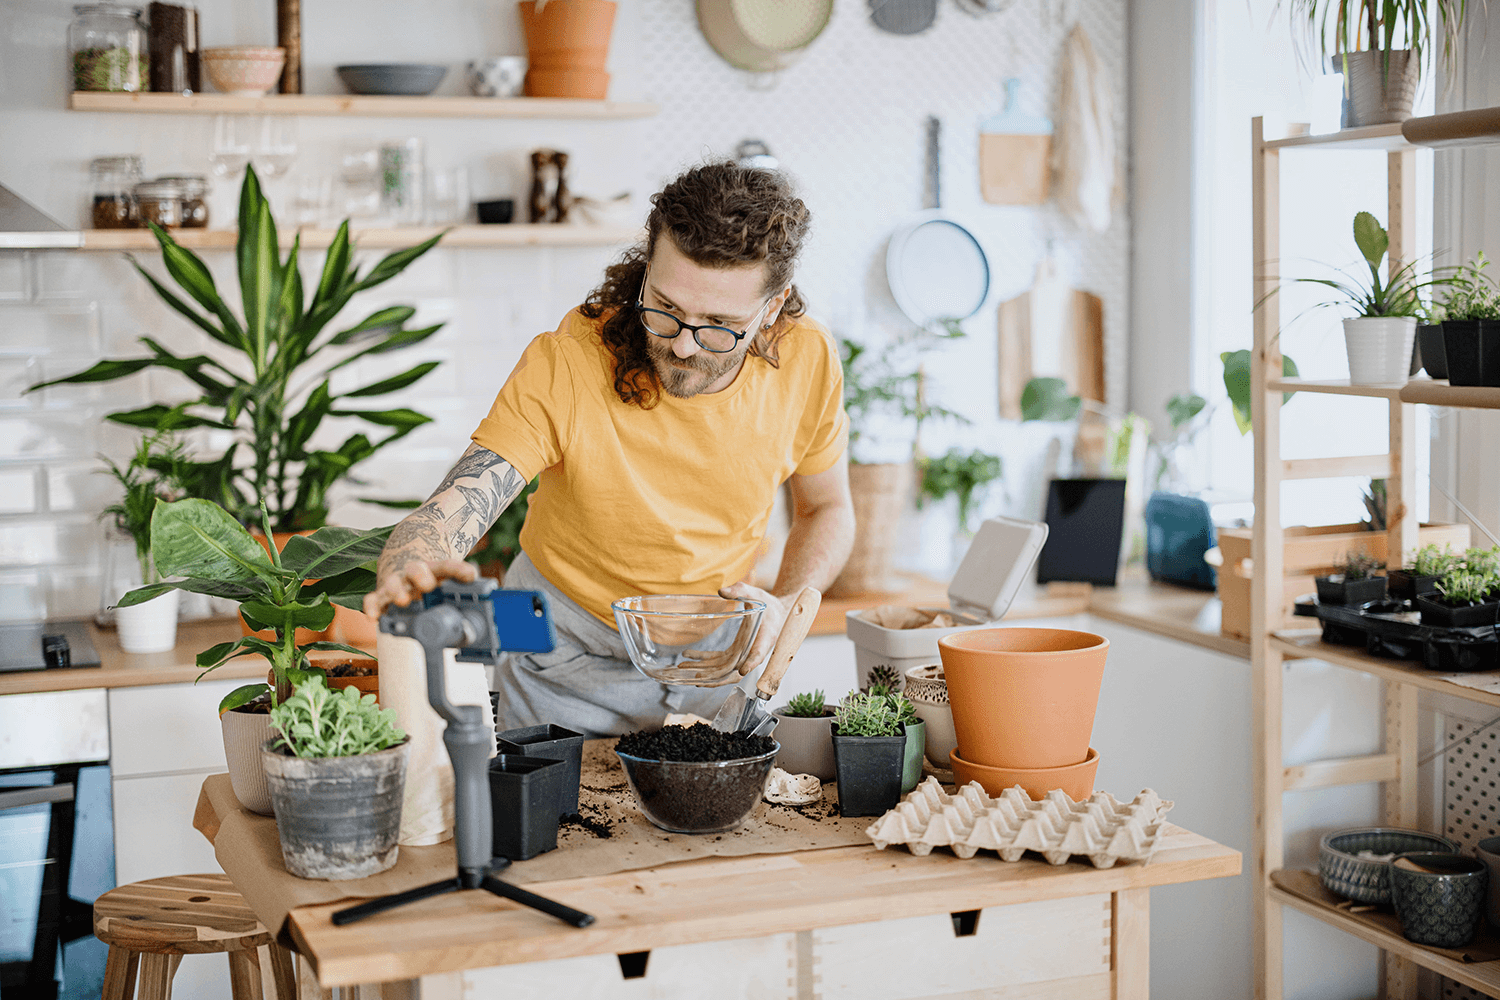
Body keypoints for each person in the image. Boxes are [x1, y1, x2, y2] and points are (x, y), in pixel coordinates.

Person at [364, 161, 855, 737]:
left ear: (772, 310)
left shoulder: (807, 358)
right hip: (559, 645)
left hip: (718, 658)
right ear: (647, 271)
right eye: (666, 310)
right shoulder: (569, 361)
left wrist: (790, 602)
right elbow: (453, 509)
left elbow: (827, 508)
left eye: (720, 325)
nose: (684, 347)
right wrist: (407, 565)